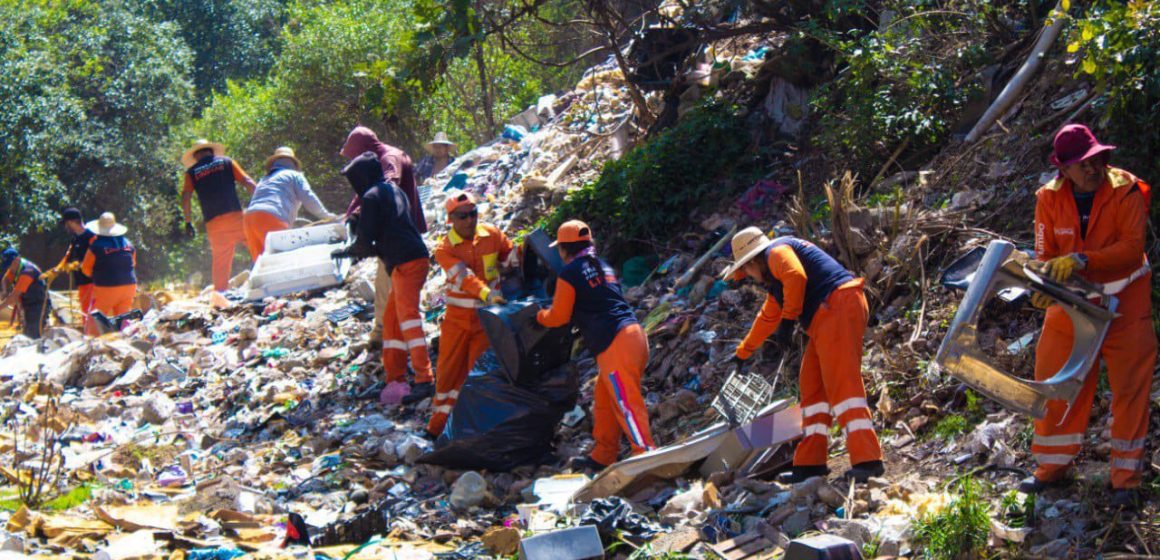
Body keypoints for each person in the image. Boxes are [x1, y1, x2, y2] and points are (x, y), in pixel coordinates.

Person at [1020, 124, 1155, 508]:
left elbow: (1131, 249)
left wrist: (1082, 260)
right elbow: (1045, 253)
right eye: (1083, 164)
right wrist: (1043, 287)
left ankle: (1125, 481)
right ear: (1063, 169)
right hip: (1073, 303)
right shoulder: (1048, 197)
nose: (1094, 169)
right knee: (1055, 382)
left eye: (1097, 160)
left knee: (1130, 389)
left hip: (1125, 303)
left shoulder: (1125, 188)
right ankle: (1051, 469)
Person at [722, 228, 884, 483]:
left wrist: (788, 322)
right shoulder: (776, 277)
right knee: (813, 387)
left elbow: (796, 277)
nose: (749, 278)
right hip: (829, 313)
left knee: (843, 386)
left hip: (838, 305)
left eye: (746, 271)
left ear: (753, 261)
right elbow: (768, 316)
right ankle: (811, 464)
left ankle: (868, 460)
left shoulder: (777, 252)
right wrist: (743, 352)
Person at [536, 220, 654, 471]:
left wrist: (538, 315)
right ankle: (603, 455)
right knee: (604, 398)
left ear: (564, 250)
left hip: (616, 343)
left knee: (625, 402)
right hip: (634, 335)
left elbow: (558, 316)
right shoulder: (604, 266)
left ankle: (646, 455)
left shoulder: (569, 273)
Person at [337, 152, 434, 402]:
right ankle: (395, 379)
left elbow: (364, 243)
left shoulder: (371, 196)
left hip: (406, 263)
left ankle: (425, 378)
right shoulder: (393, 191)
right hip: (411, 259)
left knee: (408, 319)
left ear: (361, 177)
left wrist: (345, 250)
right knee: (391, 321)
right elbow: (386, 228)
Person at [426, 190, 516, 437]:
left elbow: (512, 259)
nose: (469, 220)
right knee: (447, 375)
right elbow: (464, 278)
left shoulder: (492, 235)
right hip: (458, 320)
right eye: (462, 216)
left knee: (477, 375)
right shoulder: (445, 249)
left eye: (473, 214)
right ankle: (437, 428)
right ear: (451, 220)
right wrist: (488, 294)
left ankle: (470, 429)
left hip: (487, 321)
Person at [340, 126, 427, 350]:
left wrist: (360, 219)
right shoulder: (374, 163)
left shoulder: (388, 158)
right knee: (389, 281)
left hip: (398, 232)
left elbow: (387, 185)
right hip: (400, 231)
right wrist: (349, 215)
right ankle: (389, 328)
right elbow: (364, 194)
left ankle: (386, 332)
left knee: (388, 282)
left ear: (363, 148)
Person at [181, 139, 258, 291]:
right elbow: (248, 182)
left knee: (221, 262)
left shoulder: (191, 173)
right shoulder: (226, 162)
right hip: (235, 216)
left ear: (196, 156)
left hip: (214, 223)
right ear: (211, 151)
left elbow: (186, 197)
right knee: (257, 245)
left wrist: (188, 221)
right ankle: (268, 278)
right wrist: (261, 203)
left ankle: (220, 294)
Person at [244, 146, 336, 256]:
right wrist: (326, 216)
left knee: (262, 264)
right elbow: (308, 197)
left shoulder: (264, 179)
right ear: (293, 163)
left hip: (249, 219)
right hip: (271, 216)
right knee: (282, 259)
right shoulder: (294, 175)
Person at [81, 213, 137, 334]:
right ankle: (127, 341)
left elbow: (85, 269)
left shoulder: (96, 246)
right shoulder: (128, 244)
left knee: (95, 318)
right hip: (129, 285)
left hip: (106, 287)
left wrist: (96, 276)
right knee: (124, 317)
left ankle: (92, 344)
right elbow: (133, 263)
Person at [55, 208, 96, 332]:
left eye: (67, 223)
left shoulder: (91, 237)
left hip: (92, 281)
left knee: (92, 312)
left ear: (72, 222)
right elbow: (68, 257)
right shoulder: (75, 239)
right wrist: (57, 269)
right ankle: (88, 336)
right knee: (85, 311)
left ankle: (94, 336)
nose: (66, 227)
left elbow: (97, 257)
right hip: (81, 281)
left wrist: (80, 265)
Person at [0, 247, 50, 339]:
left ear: (17, 259)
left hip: (38, 306)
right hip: (27, 304)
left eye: (10, 264)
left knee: (32, 336)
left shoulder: (27, 272)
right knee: (25, 333)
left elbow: (13, 297)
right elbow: (6, 280)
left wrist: (1, 307)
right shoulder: (15, 266)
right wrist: (4, 290)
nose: (9, 268)